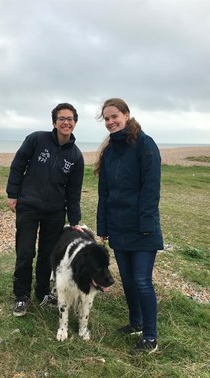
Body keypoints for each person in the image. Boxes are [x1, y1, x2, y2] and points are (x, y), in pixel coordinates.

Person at [94, 98, 163, 354]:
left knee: (143, 281)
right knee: (128, 280)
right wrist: (103, 225)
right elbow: (105, 193)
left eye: (114, 117)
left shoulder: (145, 144)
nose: (111, 122)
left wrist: (146, 224)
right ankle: (136, 323)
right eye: (107, 119)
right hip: (118, 227)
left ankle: (151, 337)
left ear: (126, 115)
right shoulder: (109, 151)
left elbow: (151, 188)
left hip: (142, 228)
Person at [6, 103, 84, 316]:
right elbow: (18, 164)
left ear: (75, 123)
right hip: (28, 207)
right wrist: (12, 194)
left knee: (47, 255)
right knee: (25, 252)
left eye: (70, 119)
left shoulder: (76, 156)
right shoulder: (37, 139)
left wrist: (75, 220)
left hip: (55, 212)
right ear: (54, 122)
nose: (66, 122)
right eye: (62, 118)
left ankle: (41, 293)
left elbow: (74, 191)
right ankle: (22, 296)